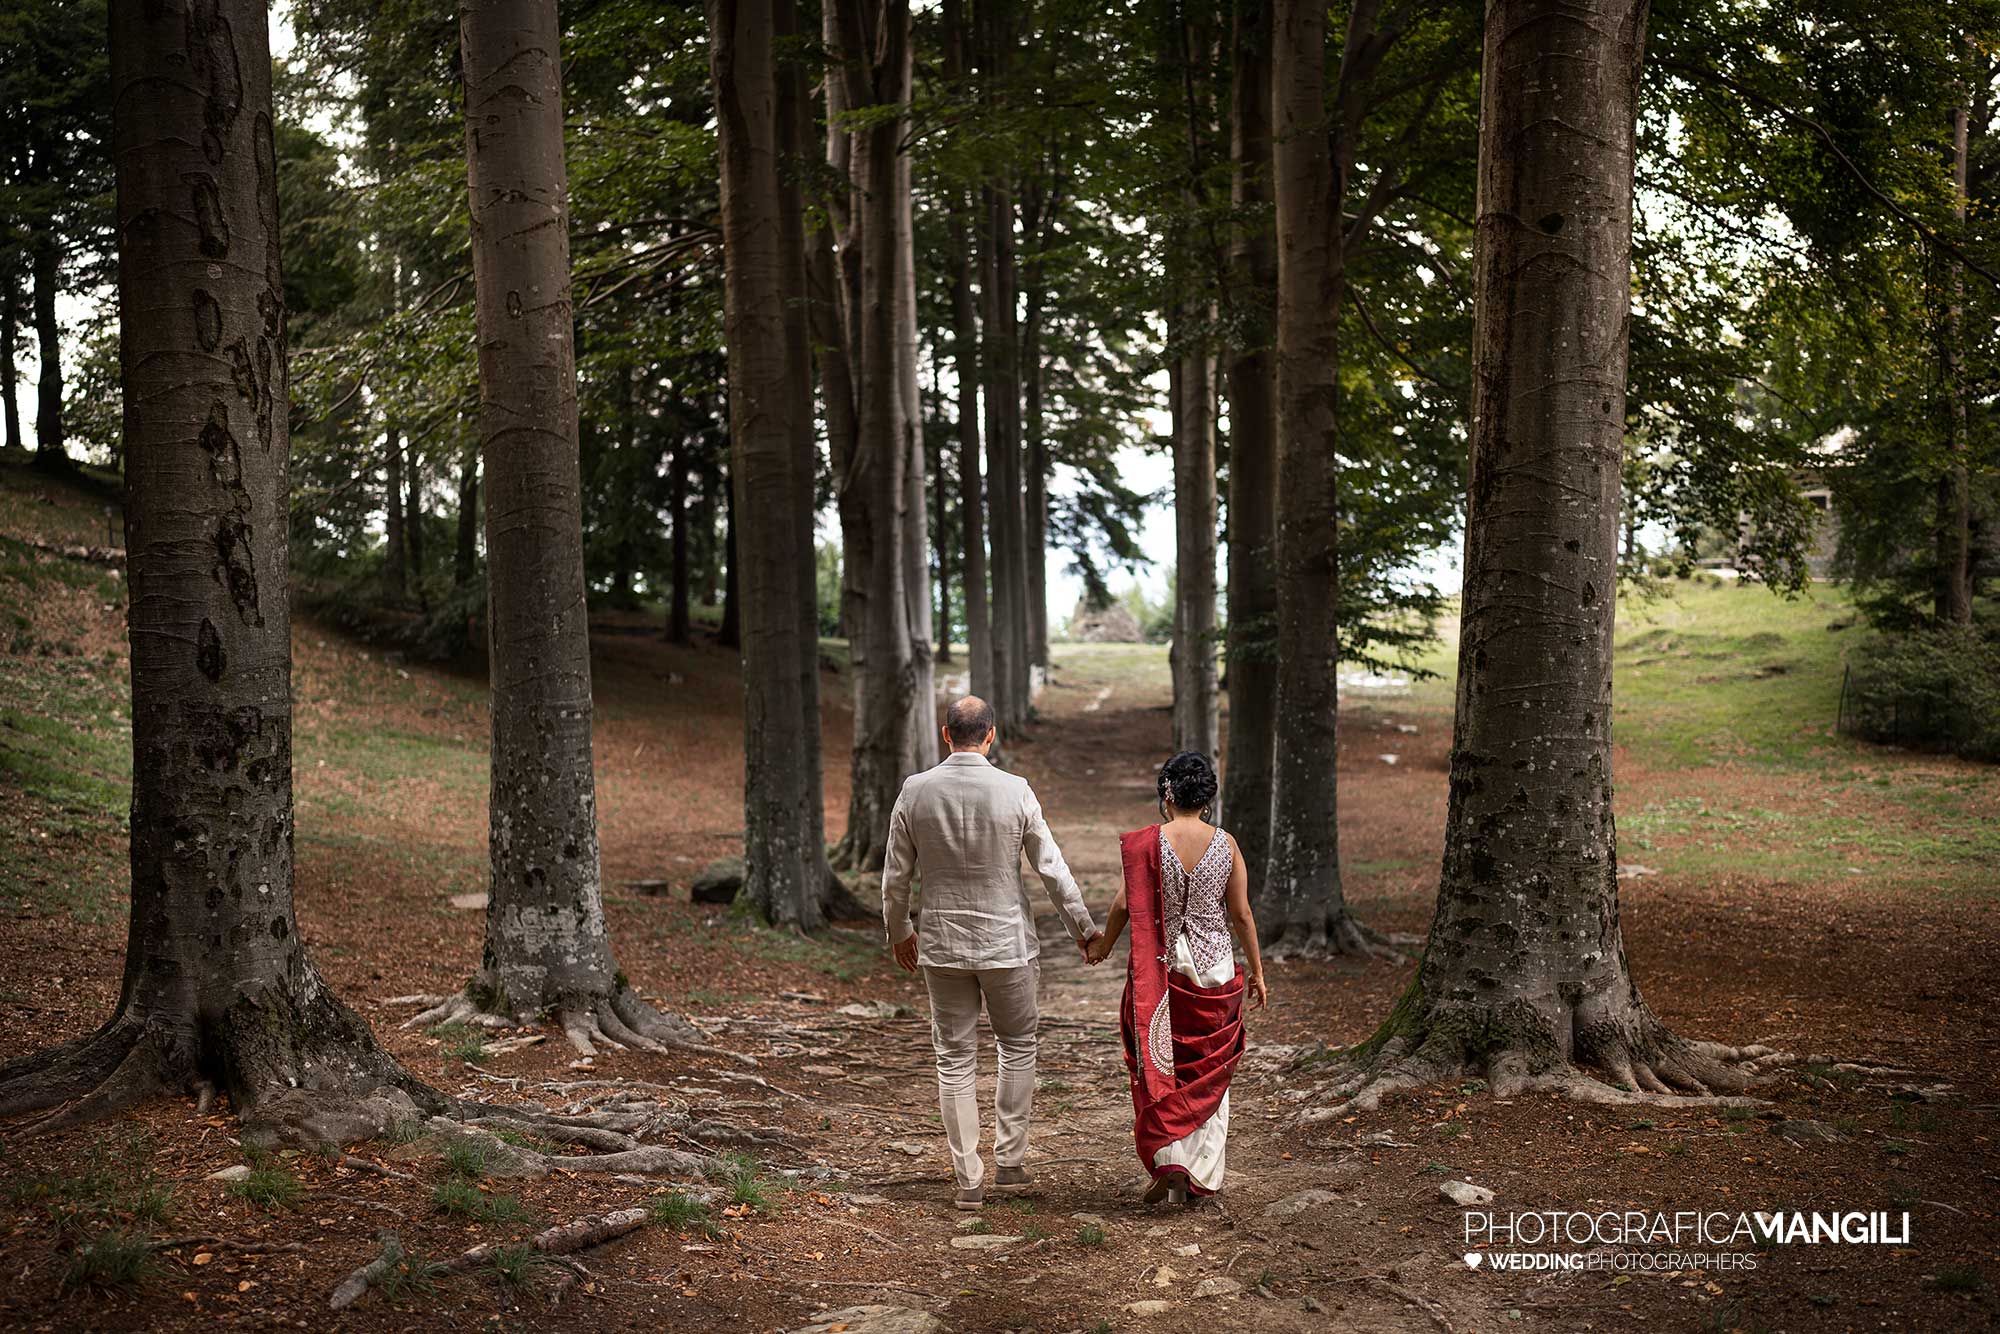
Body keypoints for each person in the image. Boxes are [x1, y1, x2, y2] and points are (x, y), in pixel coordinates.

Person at [881, 695, 1101, 1212]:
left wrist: (899, 930)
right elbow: (1052, 868)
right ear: (991, 735)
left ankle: (968, 1178)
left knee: (954, 1056)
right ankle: (1010, 1162)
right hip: (1007, 943)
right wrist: (1083, 928)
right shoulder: (1015, 790)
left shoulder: (916, 791)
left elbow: (895, 874)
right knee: (1017, 1045)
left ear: (945, 734)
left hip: (942, 942)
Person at [1086, 750, 1268, 1205]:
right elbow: (1242, 915)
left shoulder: (1149, 843)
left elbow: (1123, 904)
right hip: (1214, 967)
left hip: (1161, 967)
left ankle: (1168, 1158)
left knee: (1159, 1065)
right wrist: (1258, 972)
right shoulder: (1226, 845)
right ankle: (1198, 1168)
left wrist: (1103, 946)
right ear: (1207, 800)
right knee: (1208, 1069)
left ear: (1166, 796)